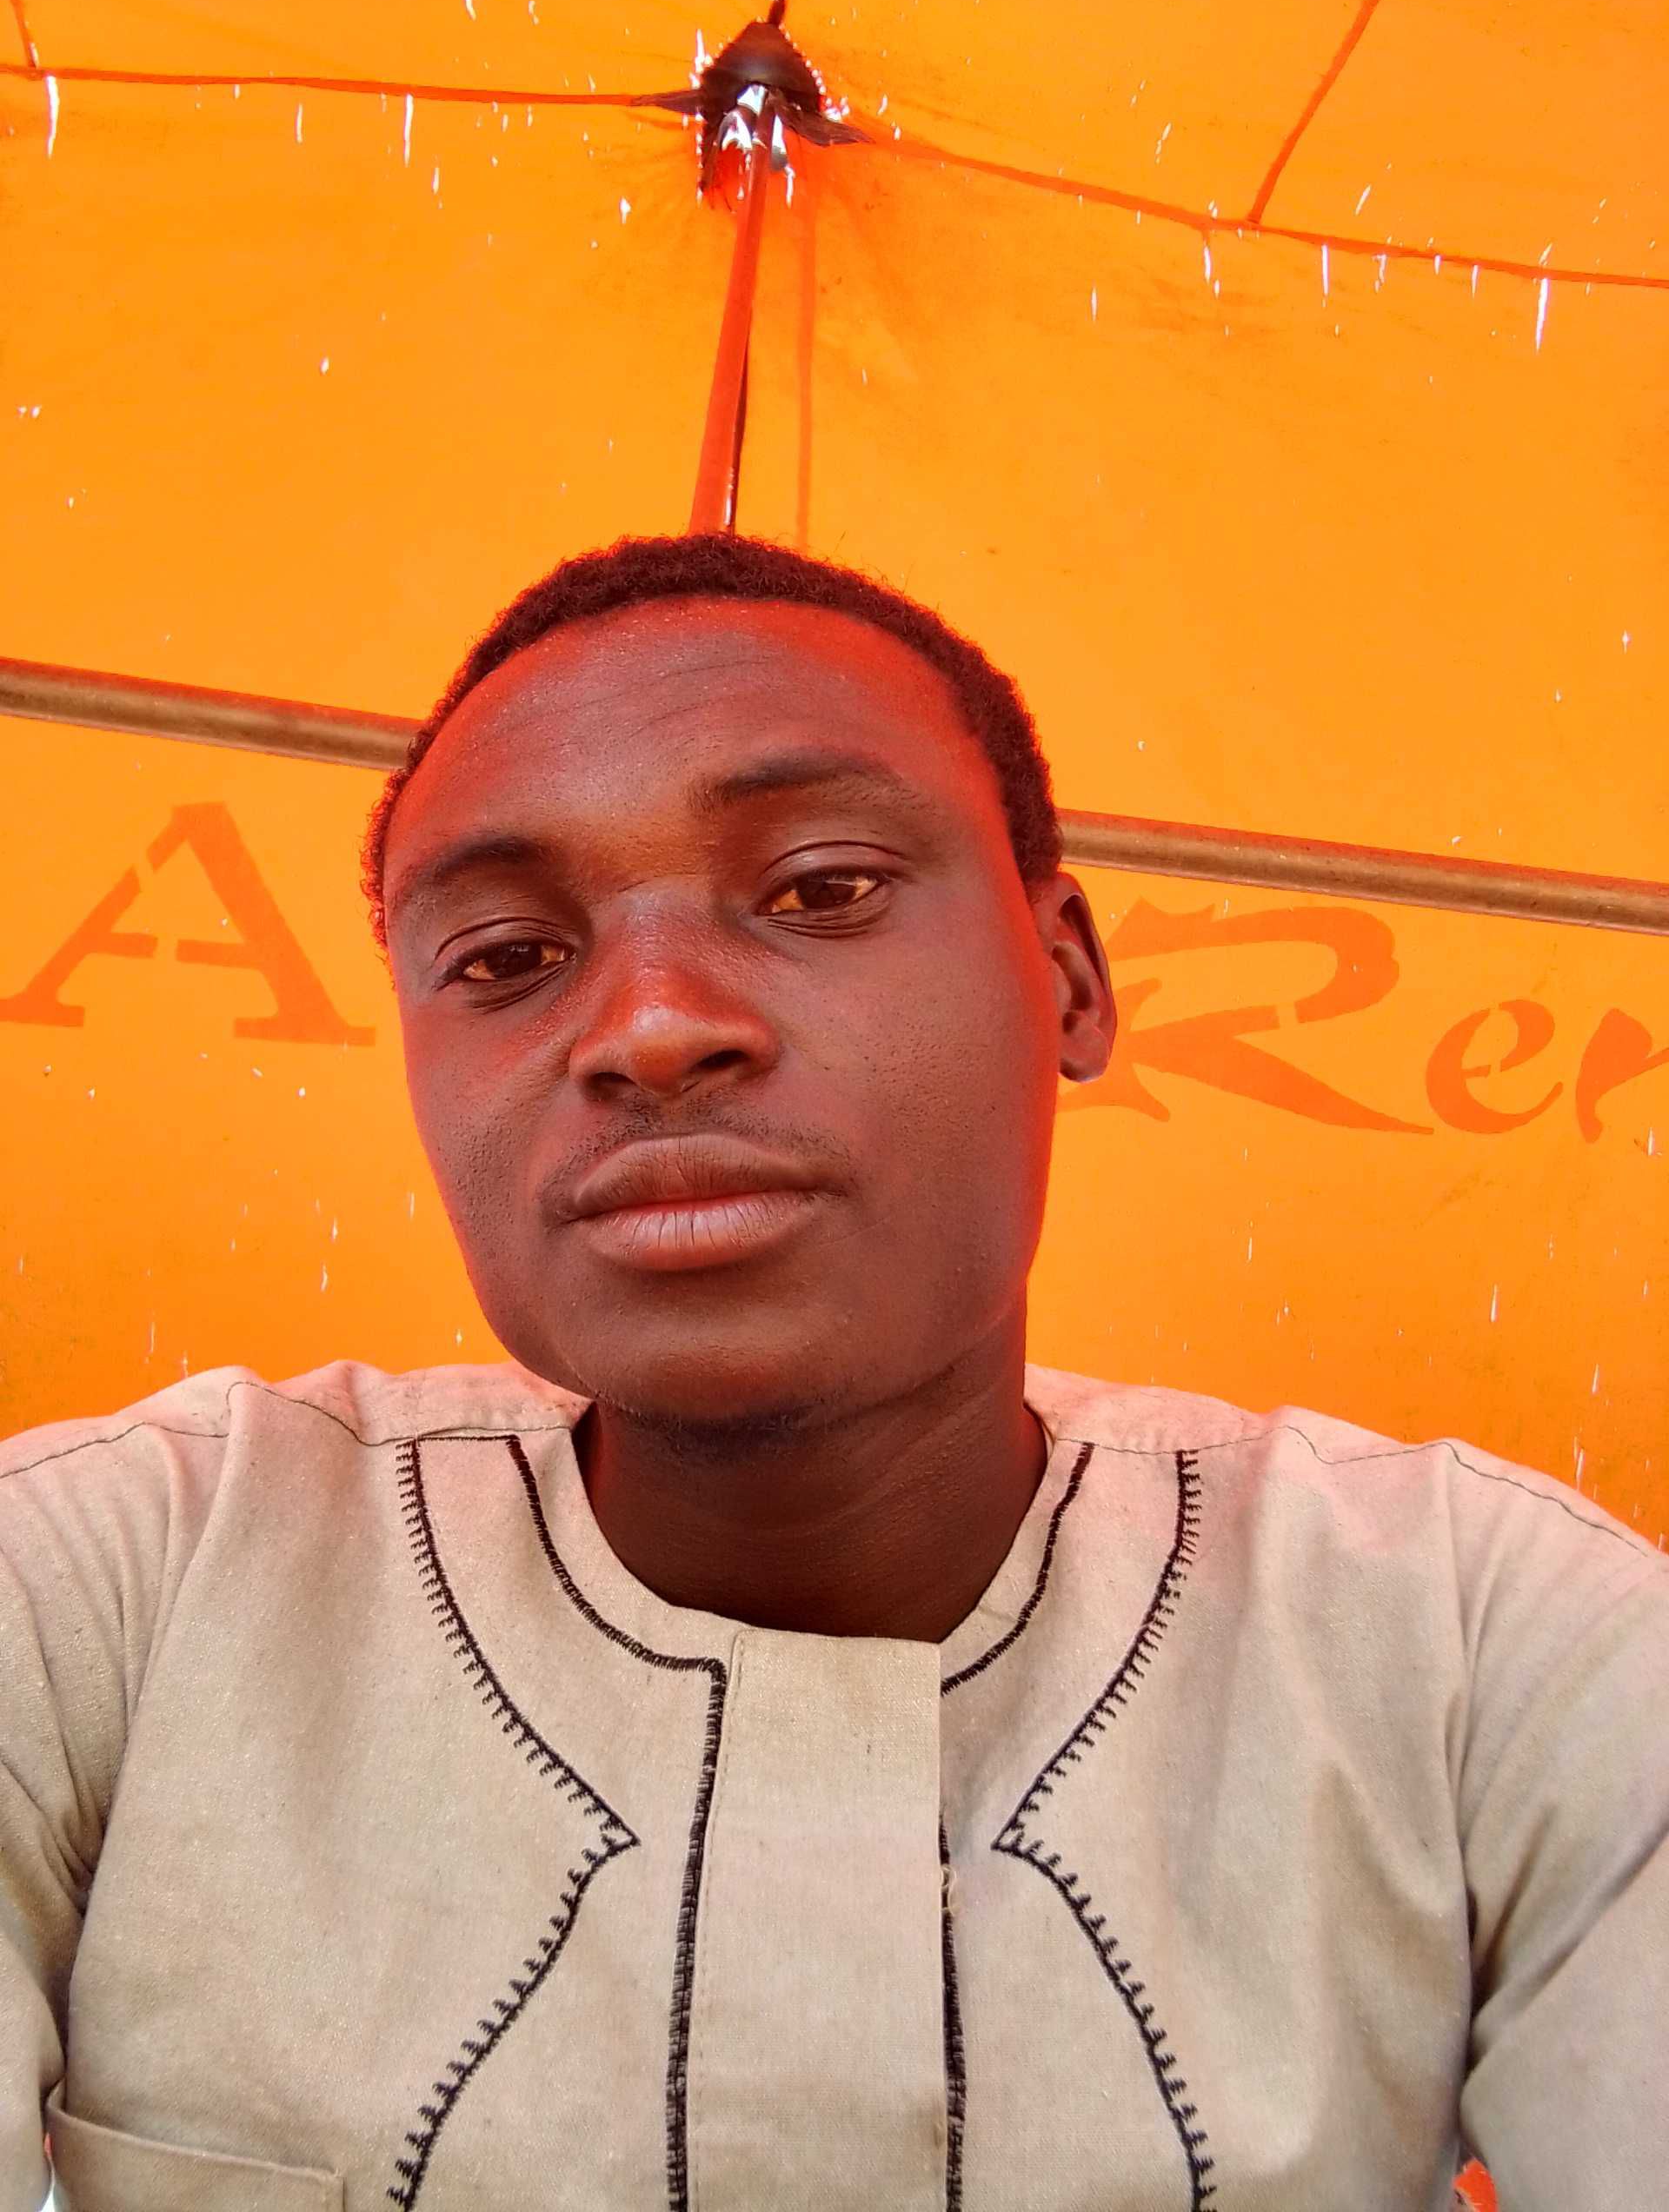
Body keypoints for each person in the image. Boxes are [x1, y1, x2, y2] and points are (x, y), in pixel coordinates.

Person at [2, 534, 1664, 2212]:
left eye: (820, 889)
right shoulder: (122, 1586)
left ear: (1068, 980)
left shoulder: (1481, 1644)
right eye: (504, 956)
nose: (651, 1026)